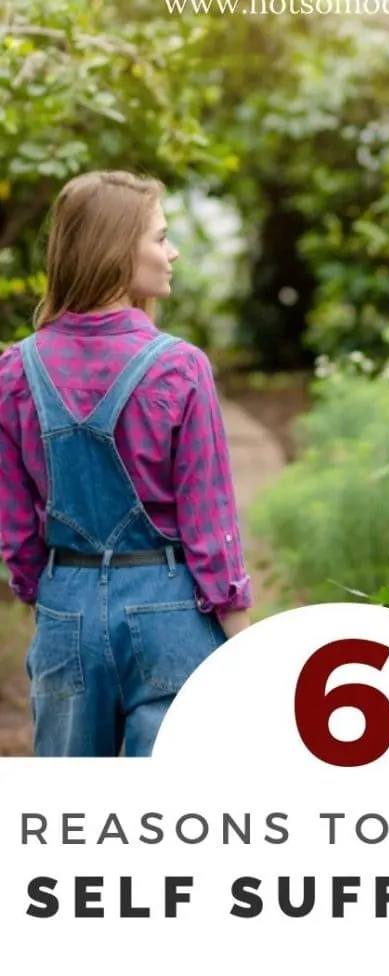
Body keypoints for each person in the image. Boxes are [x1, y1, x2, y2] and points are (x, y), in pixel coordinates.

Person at [0, 170, 252, 757]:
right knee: (165, 823)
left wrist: (58, 597)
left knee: (70, 822)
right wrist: (241, 644)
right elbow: (210, 523)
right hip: (171, 613)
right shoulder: (180, 368)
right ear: (117, 250)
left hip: (68, 608)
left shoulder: (15, 373)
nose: (173, 252)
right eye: (160, 237)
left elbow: (16, 528)